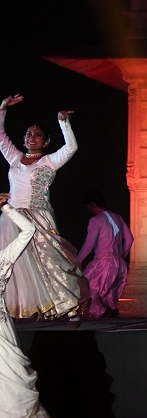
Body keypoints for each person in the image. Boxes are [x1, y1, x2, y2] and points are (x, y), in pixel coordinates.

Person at [0, 94, 89, 320]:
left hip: (38, 217)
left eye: (38, 135)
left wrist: (63, 122)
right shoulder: (14, 158)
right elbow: (0, 137)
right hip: (12, 216)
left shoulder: (49, 161)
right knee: (15, 264)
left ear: (46, 141)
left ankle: (70, 306)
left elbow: (71, 147)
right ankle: (23, 308)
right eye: (29, 134)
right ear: (23, 139)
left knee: (51, 262)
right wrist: (3, 109)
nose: (32, 137)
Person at [0, 193, 55, 418]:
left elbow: (29, 230)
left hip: (1, 336)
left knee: (12, 386)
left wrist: (7, 208)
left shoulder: (3, 259)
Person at [76, 191, 134, 318]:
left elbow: (89, 244)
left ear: (92, 204)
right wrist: (121, 256)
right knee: (110, 294)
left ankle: (104, 312)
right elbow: (129, 238)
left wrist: (77, 260)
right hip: (119, 264)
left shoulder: (95, 220)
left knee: (88, 289)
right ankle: (109, 313)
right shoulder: (117, 217)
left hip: (104, 262)